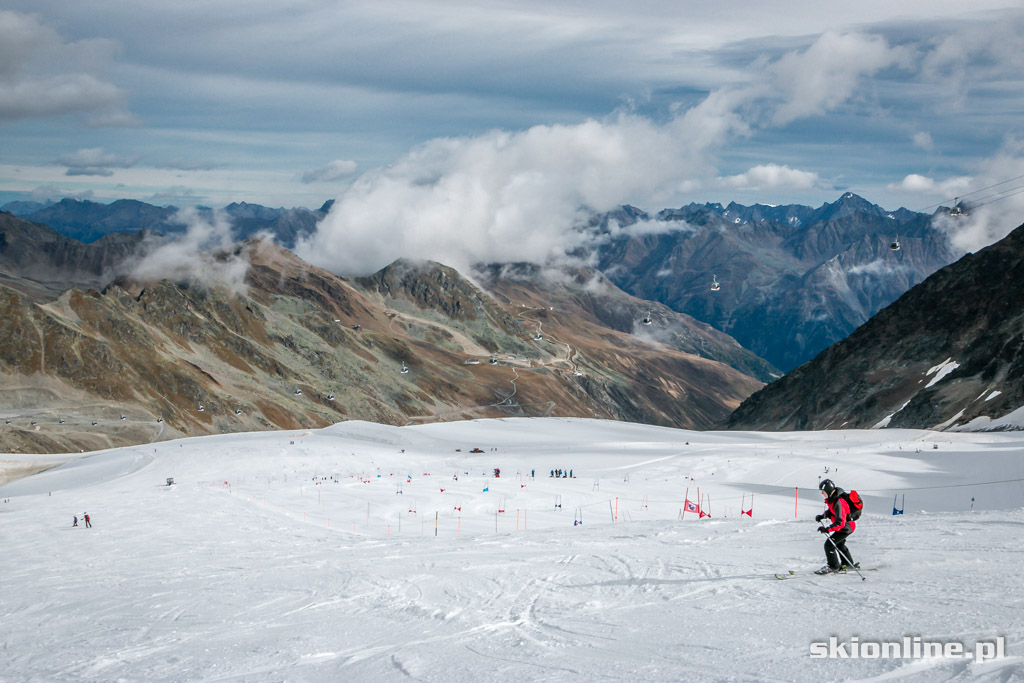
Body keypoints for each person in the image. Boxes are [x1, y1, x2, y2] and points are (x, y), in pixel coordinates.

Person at [814, 479, 855, 574]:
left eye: (823, 491)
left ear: (827, 490)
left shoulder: (838, 502)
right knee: (839, 544)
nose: (822, 493)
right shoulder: (833, 500)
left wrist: (828, 529)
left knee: (829, 544)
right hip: (844, 527)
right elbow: (831, 511)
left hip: (845, 528)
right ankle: (848, 564)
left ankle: (833, 566)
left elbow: (840, 522)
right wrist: (823, 516)